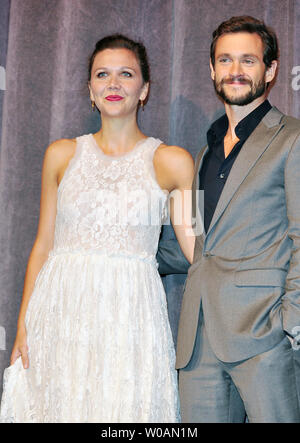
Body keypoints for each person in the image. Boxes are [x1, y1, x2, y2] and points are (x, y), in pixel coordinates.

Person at [0, 34, 195, 423]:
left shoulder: (174, 162)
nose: (114, 83)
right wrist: (23, 326)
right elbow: (42, 246)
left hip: (130, 317)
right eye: (102, 74)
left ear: (145, 89)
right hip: (61, 314)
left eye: (126, 74)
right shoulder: (61, 154)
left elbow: (197, 248)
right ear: (90, 89)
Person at [158, 16, 300, 423]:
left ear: (270, 70)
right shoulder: (204, 152)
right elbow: (200, 244)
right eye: (225, 60)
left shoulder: (292, 139)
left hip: (265, 337)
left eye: (248, 61)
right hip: (198, 342)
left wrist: (287, 325)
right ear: (211, 69)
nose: (235, 71)